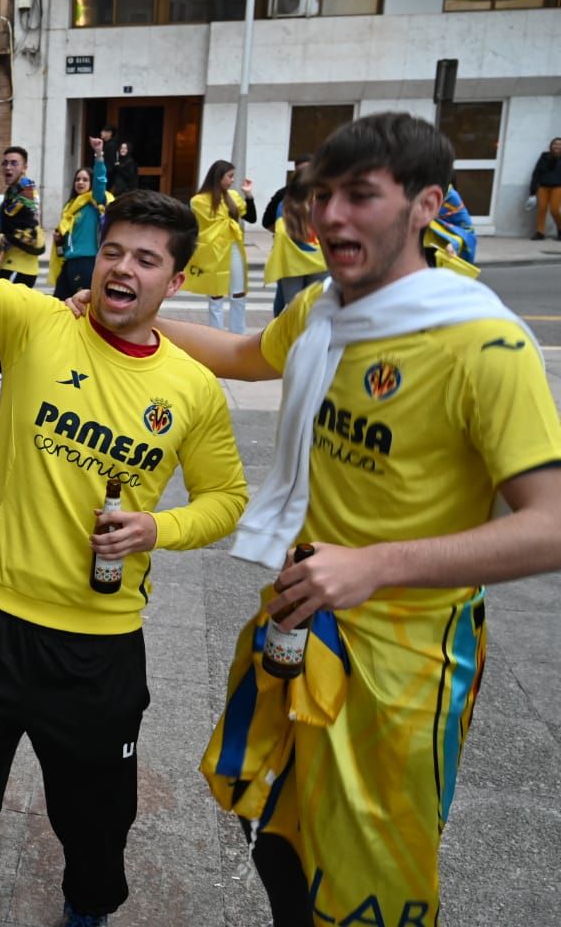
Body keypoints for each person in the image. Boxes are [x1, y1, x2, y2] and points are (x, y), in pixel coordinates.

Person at [154, 113, 561, 926]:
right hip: (303, 623)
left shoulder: (482, 345)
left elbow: (550, 522)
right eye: (320, 195)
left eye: (360, 195)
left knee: (371, 879)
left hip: (406, 660)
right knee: (274, 833)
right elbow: (243, 356)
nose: (329, 216)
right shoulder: (321, 312)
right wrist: (125, 316)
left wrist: (374, 565)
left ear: (426, 204)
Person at [0, 130, 249, 927]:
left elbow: (225, 499)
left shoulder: (192, 388)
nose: (123, 268)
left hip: (100, 646)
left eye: (148, 260)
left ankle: (88, 906)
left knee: (96, 812)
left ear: (177, 279)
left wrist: (156, 526)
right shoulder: (39, 325)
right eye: (115, 250)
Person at [0, 145, 43, 390]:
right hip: (11, 264)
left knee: (1, 319)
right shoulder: (14, 193)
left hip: (19, 268)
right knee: (7, 319)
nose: (8, 167)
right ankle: (13, 368)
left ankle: (1, 371)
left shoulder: (25, 192)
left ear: (24, 167)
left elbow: (30, 233)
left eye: (14, 163)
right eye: (5, 163)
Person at [183, 159, 256, 333]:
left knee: (238, 293)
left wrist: (249, 195)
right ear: (218, 177)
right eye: (230, 176)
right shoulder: (198, 201)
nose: (232, 180)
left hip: (233, 247)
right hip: (211, 250)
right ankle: (216, 333)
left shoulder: (234, 197)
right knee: (215, 295)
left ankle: (238, 334)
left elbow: (251, 218)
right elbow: (191, 226)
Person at [49, 137, 112, 301]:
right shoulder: (70, 207)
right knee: (59, 304)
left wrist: (99, 153)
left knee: (83, 307)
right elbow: (67, 240)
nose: (80, 182)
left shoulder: (94, 201)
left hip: (87, 262)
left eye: (85, 179)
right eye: (77, 179)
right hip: (69, 262)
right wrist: (58, 240)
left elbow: (100, 181)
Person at [263, 173, 326, 318]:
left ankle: (292, 336)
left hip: (292, 261)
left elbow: (281, 232)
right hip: (318, 260)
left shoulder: (285, 205)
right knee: (317, 305)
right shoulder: (320, 203)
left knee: (293, 306)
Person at [527, 136, 561, 240]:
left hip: (558, 187)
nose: (557, 146)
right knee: (541, 210)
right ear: (551, 145)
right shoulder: (544, 156)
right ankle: (540, 233)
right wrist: (533, 189)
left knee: (554, 210)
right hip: (543, 187)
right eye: (555, 144)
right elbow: (537, 172)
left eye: (559, 144)